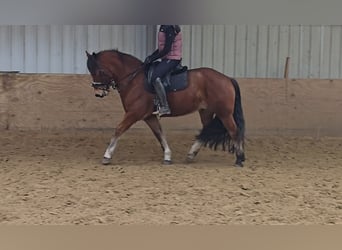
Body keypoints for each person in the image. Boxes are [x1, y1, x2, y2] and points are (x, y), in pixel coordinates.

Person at [144, 25, 182, 116]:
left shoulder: (169, 27)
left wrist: (153, 58)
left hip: (173, 58)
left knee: (155, 77)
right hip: (167, 58)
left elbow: (167, 49)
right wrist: (151, 57)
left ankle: (165, 107)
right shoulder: (164, 26)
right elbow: (162, 48)